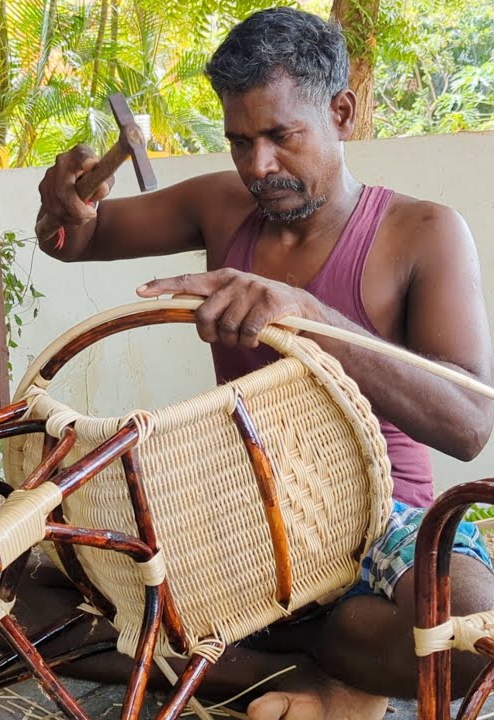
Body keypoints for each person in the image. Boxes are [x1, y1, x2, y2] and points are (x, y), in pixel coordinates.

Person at [32, 7, 494, 719]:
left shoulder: (422, 233)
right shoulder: (222, 207)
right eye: (240, 142)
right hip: (237, 509)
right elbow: (73, 238)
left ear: (342, 112)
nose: (258, 167)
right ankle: (309, 671)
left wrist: (309, 316)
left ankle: (260, 660)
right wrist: (62, 204)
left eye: (281, 137)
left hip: (380, 513)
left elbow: (469, 425)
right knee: (28, 582)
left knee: (472, 631)